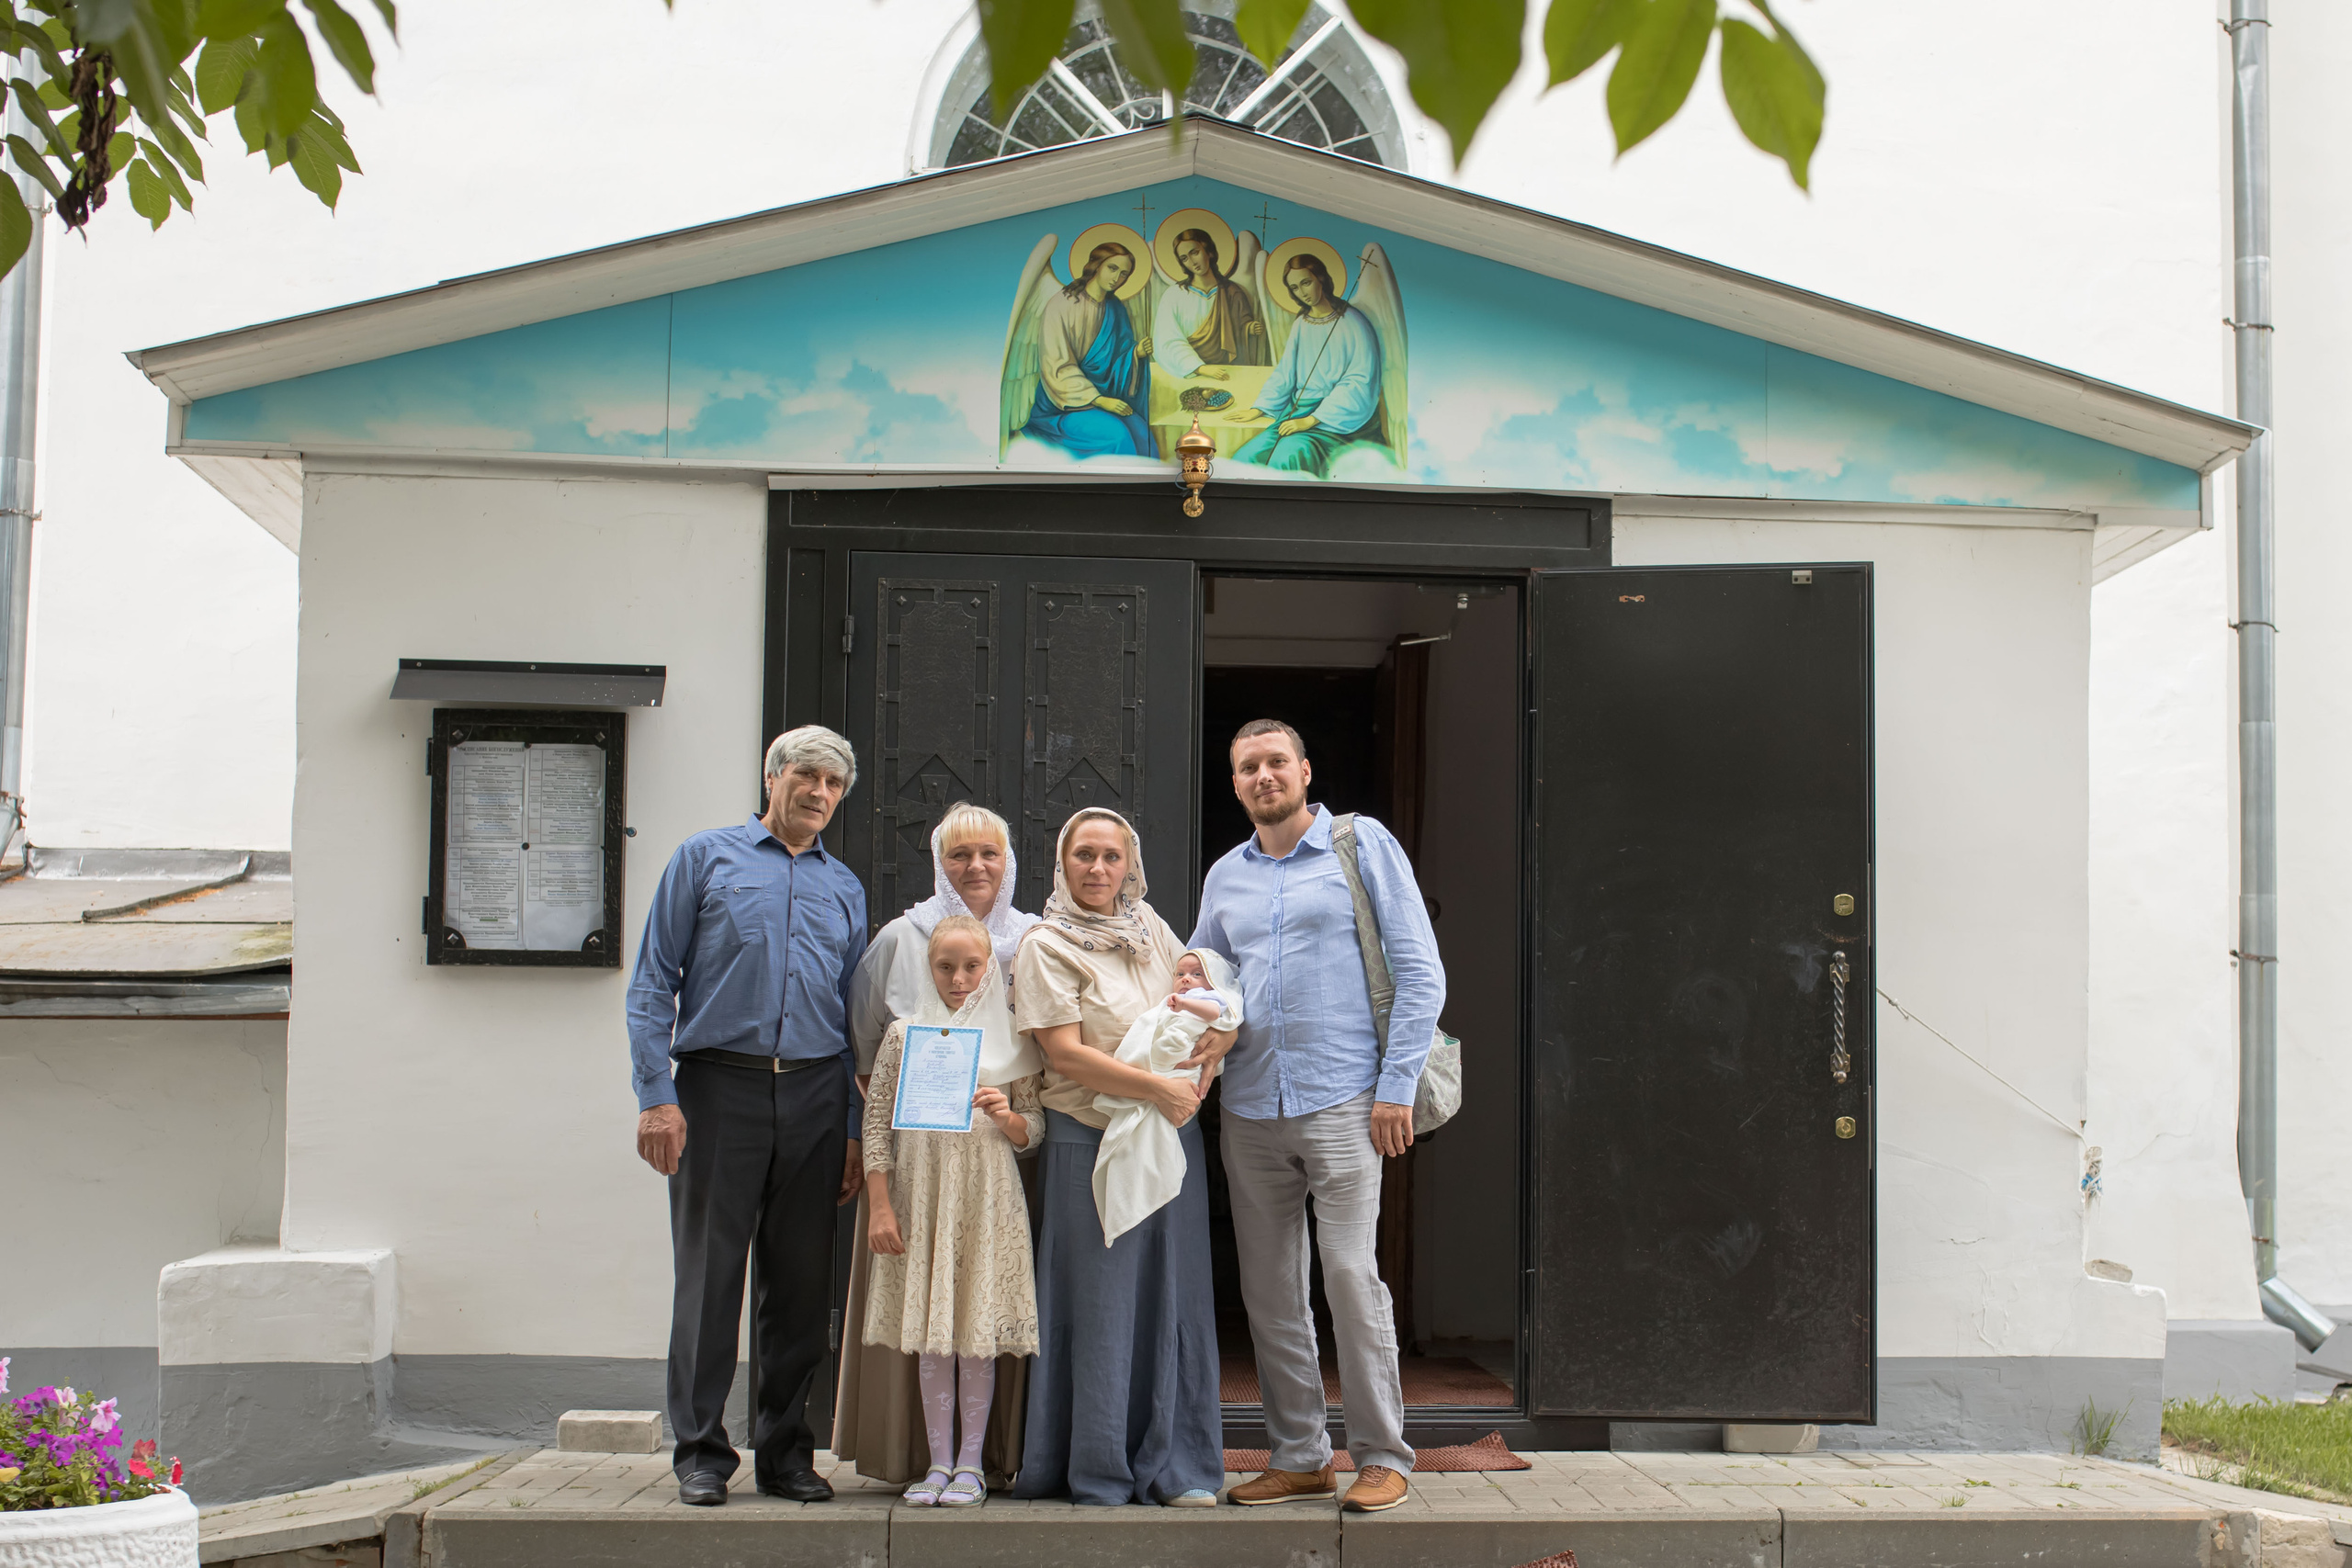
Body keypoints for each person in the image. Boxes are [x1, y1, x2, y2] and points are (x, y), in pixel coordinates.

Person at [1187, 718, 1445, 1515]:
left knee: (1347, 1275)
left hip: (1345, 1102)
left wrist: (1395, 1086)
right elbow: (1203, 974)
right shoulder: (1224, 875)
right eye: (1247, 767)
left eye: (1275, 762)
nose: (1263, 776)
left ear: (1304, 770)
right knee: (1268, 1290)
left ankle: (1381, 1454)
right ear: (1234, 785)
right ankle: (1300, 1455)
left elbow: (1420, 971)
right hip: (1252, 1105)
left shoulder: (1359, 845)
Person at [626, 725, 867, 1508]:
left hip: (814, 1094)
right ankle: (700, 1451)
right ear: (773, 776)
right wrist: (655, 1094)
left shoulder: (845, 887)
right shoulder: (705, 858)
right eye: (806, 776)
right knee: (708, 1275)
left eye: (833, 784)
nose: (820, 794)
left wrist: (857, 1133)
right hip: (714, 1090)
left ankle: (786, 1450)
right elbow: (651, 982)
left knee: (799, 1284)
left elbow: (855, 1017)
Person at [1011, 808, 1232, 1507]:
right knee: (1102, 1306)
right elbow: (1064, 1052)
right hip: (1090, 1140)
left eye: (1111, 855)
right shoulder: (1047, 944)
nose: (1098, 868)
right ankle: (1099, 1469)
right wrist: (1159, 1088)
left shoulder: (1152, 931)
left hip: (1171, 1138)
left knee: (1177, 1297)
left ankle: (1180, 1467)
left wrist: (1214, 1051)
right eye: (1085, 855)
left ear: (1129, 863)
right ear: (1062, 863)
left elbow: (1202, 1007)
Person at [837, 803, 1040, 1488]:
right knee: (929, 1328)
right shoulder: (903, 938)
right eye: (959, 854)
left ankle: (983, 1463)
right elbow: (870, 1067)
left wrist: (1006, 1116)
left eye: (989, 853)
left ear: (1008, 861)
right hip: (920, 1179)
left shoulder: (1033, 939)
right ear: (937, 862)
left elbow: (1032, 1109)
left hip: (991, 1185)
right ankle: (929, 1461)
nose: (976, 867)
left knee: (980, 1325)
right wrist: (894, 1166)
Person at [1091, 947, 1242, 1247]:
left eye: (1197, 975)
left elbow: (1213, 1015)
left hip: (1184, 1057)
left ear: (1213, 981)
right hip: (1172, 1051)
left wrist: (1184, 1004)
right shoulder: (1175, 1002)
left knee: (1172, 1047)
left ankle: (1151, 1075)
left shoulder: (1208, 998)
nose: (1186, 979)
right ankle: (1145, 1076)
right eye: (1180, 974)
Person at [1232, 253, 1383, 478]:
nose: (1302, 292)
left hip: (1335, 422)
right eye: (1294, 288)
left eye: (1306, 283)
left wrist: (1312, 420)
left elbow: (1359, 381)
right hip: (1298, 413)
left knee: (1284, 459)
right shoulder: (1302, 322)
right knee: (1245, 459)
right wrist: (1259, 408)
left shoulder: (1353, 323)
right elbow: (1286, 371)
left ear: (1321, 279)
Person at [1021, 242, 1154, 458]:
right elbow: (1057, 365)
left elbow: (1115, 359)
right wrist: (1099, 400)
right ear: (1096, 265)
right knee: (1118, 437)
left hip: (1104, 397)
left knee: (1142, 434)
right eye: (1112, 268)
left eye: (1124, 274)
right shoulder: (1062, 304)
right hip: (1063, 405)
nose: (1117, 278)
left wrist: (1134, 354)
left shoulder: (1116, 308)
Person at [1152, 228, 1267, 381]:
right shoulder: (1174, 295)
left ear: (1209, 251)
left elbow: (1241, 327)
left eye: (1195, 253)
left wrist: (1248, 328)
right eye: (1185, 258)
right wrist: (1199, 367)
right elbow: (1166, 340)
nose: (1192, 262)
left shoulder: (1233, 292)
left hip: (1228, 372)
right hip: (1188, 373)